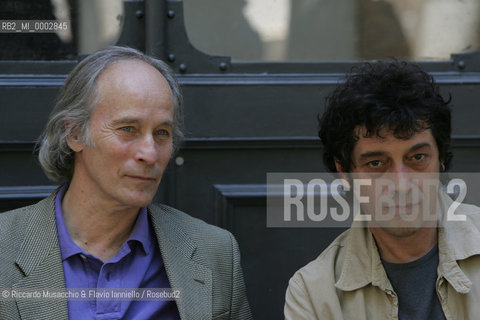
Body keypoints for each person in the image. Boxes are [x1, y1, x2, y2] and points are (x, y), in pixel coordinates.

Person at [0, 46, 252, 320]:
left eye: (162, 133)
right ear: (73, 134)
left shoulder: (213, 252)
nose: (150, 153)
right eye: (128, 129)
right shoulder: (6, 246)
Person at [284, 61, 480, 319]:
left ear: (441, 159)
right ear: (345, 172)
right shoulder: (312, 293)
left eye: (418, 158)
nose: (400, 185)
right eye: (376, 164)